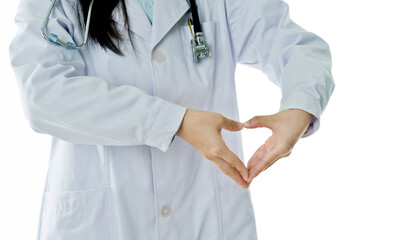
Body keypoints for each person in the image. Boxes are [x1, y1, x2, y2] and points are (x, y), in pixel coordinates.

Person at [8, 0, 335, 239]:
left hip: (207, 218)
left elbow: (297, 48)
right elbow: (43, 94)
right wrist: (173, 121)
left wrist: (299, 107)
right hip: (102, 222)